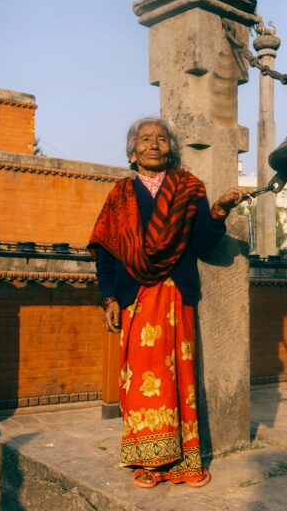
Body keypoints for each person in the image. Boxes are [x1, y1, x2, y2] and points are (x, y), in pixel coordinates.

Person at [88, 117, 247, 489]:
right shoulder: (120, 196)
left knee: (180, 377)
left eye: (161, 139)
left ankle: (184, 461)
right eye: (145, 139)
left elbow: (204, 242)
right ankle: (147, 460)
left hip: (176, 294)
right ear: (133, 151)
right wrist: (108, 296)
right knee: (142, 380)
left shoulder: (187, 188)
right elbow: (106, 252)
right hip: (136, 297)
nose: (154, 144)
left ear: (171, 149)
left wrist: (221, 208)